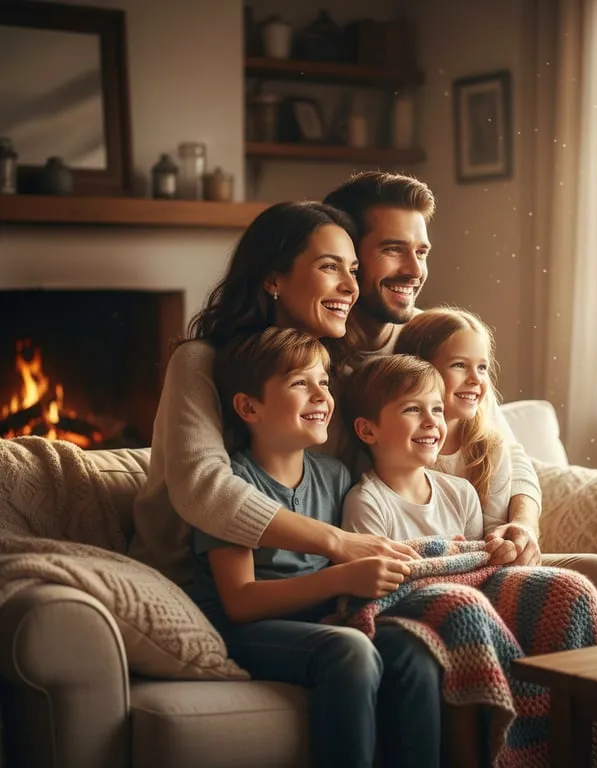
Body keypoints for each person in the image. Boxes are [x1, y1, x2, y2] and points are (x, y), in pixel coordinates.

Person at [131, 200, 443, 768]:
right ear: (273, 278)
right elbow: (208, 491)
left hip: (313, 599)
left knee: (420, 641)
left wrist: (514, 518)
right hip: (202, 591)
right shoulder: (202, 363)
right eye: (330, 267)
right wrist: (339, 547)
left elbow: (453, 438)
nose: (351, 284)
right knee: (351, 649)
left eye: (353, 269)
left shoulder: (339, 378)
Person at [323, 172, 597, 615]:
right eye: (393, 249)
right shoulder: (321, 369)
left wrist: (523, 526)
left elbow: (513, 457)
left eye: (421, 252)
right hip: (440, 574)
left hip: (490, 556)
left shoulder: (439, 338)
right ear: (350, 255)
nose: (415, 270)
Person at [391, 306, 597, 768]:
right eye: (459, 366)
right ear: (418, 368)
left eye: (483, 367)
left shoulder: (482, 425)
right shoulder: (405, 434)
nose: (475, 379)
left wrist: (524, 526)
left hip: (504, 559)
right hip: (472, 575)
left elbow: (521, 467)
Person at [190, 327, 411, 767]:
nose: (320, 395)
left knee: (411, 648)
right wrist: (342, 576)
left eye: (324, 383)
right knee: (349, 651)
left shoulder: (335, 477)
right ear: (248, 406)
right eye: (299, 383)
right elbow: (239, 602)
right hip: (247, 630)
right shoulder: (232, 488)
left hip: (322, 617)